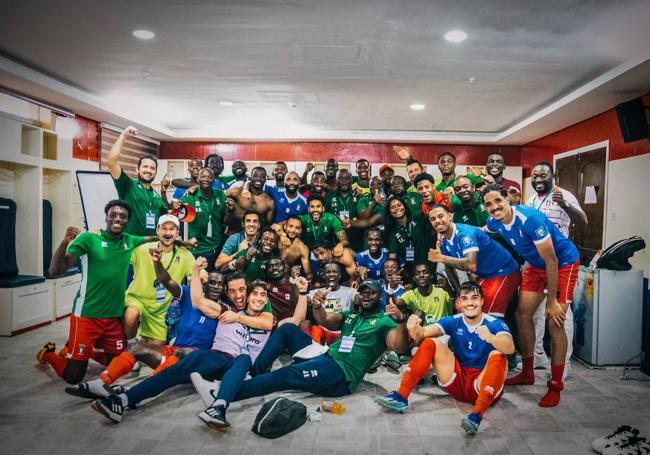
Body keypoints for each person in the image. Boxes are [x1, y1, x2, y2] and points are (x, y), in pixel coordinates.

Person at [192, 278, 410, 430]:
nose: (366, 295)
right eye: (363, 292)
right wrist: (316, 306)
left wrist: (400, 321)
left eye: (371, 292)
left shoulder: (384, 322)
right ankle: (251, 375)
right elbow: (326, 320)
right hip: (325, 355)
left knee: (285, 376)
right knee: (287, 329)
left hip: (341, 375)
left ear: (380, 296)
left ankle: (224, 395)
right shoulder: (352, 314)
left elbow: (398, 346)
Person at [90, 278, 274, 428]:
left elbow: (269, 323)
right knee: (174, 370)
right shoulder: (226, 311)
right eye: (254, 294)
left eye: (262, 295)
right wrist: (195, 270)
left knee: (243, 359)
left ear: (266, 301)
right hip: (218, 357)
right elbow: (198, 301)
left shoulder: (266, 320)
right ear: (248, 297)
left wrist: (240, 318)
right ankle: (122, 400)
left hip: (240, 367)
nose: (257, 298)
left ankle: (218, 408)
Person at [64, 256, 226, 400]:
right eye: (212, 282)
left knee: (182, 353)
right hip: (175, 352)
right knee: (135, 347)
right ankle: (102, 382)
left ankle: (134, 391)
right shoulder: (189, 295)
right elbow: (166, 280)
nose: (216, 287)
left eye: (220, 284)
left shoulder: (226, 311)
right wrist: (156, 261)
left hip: (193, 362)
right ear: (205, 283)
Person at [483, 183, 580, 407]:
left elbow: (552, 260)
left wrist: (552, 301)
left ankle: (555, 385)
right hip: (536, 266)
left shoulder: (530, 219)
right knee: (522, 314)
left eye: (498, 201)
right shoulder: (495, 221)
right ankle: (528, 372)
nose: (494, 207)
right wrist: (450, 230)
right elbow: (482, 229)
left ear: (507, 199)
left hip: (563, 262)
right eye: (488, 204)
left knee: (555, 322)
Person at [374, 282, 514, 435]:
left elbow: (510, 348)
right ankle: (401, 396)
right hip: (457, 383)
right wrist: (414, 327)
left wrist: (491, 338)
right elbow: (422, 333)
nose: (470, 303)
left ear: (482, 301)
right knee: (430, 343)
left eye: (474, 298)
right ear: (459, 303)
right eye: (465, 299)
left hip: (483, 385)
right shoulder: (453, 320)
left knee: (498, 355)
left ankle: (476, 415)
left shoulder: (494, 323)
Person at [38, 200, 150, 383]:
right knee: (73, 377)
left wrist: (181, 241)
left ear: (127, 221)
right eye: (113, 214)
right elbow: (55, 271)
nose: (118, 218)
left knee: (116, 363)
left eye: (123, 216)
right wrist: (65, 242)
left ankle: (74, 350)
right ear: (106, 217)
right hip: (87, 316)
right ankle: (49, 355)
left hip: (113, 318)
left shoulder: (129, 240)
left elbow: (152, 238)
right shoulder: (89, 239)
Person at [526, 161, 587, 376]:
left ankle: (564, 364)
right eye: (535, 175)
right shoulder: (532, 199)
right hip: (537, 263)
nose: (538, 179)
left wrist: (565, 205)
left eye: (543, 175)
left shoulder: (564, 195)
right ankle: (539, 357)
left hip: (560, 262)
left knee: (560, 315)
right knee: (536, 315)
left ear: (552, 177)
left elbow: (584, 221)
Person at [427, 205, 520, 317]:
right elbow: (449, 267)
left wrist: (440, 258)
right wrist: (458, 294)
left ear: (450, 216)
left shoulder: (464, 234)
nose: (437, 221)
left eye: (440, 216)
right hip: (485, 276)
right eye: (433, 219)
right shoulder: (444, 241)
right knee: (467, 309)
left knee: (486, 315)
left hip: (504, 271)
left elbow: (471, 265)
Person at [107, 126, 168, 236]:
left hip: (152, 246)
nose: (148, 170)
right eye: (145, 167)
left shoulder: (156, 196)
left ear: (156, 172)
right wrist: (124, 135)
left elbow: (166, 216)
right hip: (131, 246)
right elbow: (112, 161)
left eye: (152, 168)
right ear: (137, 169)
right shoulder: (128, 185)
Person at [176, 167, 227, 268]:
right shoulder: (189, 197)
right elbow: (175, 215)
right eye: (203, 176)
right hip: (196, 248)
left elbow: (225, 218)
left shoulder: (220, 194)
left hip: (216, 246)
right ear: (197, 179)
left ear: (214, 180)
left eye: (209, 177)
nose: (206, 179)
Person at [384, 196, 435, 270]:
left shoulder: (418, 217)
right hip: (413, 270)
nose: (397, 208)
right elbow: (393, 255)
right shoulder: (392, 232)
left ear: (404, 206)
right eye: (393, 207)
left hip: (432, 262)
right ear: (390, 213)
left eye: (399, 205)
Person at [275, 215, 312, 280]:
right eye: (291, 226)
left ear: (300, 230)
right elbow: (272, 226)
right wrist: (282, 235)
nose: (293, 230)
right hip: (269, 274)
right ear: (285, 226)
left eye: (297, 228)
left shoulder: (302, 248)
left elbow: (308, 273)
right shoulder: (276, 237)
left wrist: (304, 280)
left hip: (287, 278)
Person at [264, 257, 299, 323]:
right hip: (275, 323)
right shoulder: (266, 287)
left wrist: (295, 283)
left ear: (285, 268)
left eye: (278, 265)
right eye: (270, 266)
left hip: (295, 321)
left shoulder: (295, 283)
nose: (274, 268)